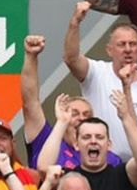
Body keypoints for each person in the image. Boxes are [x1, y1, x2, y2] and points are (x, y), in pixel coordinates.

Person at [63, 2, 137, 163]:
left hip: (135, 168)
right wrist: (75, 22)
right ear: (109, 50)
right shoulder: (96, 72)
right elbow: (71, 58)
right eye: (121, 44)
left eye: (133, 44)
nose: (128, 49)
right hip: (98, 163)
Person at [20, 35, 121, 170]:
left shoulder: (109, 157)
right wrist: (31, 56)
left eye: (87, 115)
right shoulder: (45, 138)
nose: (81, 118)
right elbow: (30, 102)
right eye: (74, 113)